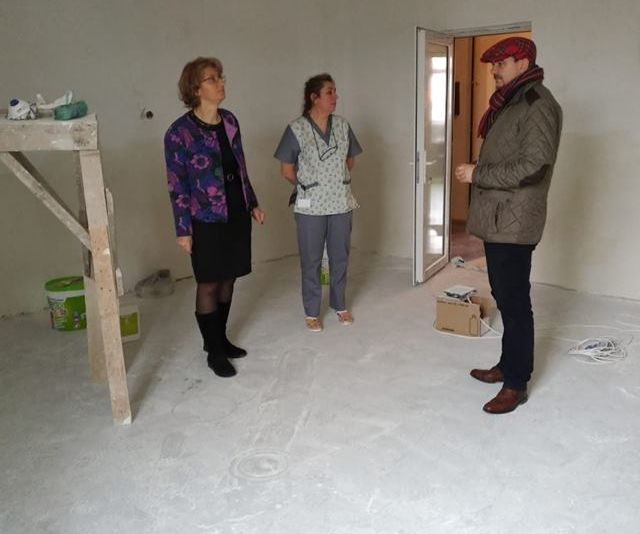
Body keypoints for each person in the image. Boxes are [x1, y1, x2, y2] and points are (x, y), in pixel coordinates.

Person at [454, 37, 562, 414]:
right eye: (493, 64)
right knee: (504, 295)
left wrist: (478, 173)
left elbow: (534, 166)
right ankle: (507, 365)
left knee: (514, 302)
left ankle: (516, 383)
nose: (494, 70)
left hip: (515, 221)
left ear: (523, 63)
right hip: (501, 218)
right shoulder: (512, 102)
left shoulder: (538, 103)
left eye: (501, 63)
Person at [164, 57, 265, 378]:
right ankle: (213, 350)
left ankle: (220, 339)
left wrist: (252, 202)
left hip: (235, 211)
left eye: (221, 77)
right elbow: (177, 184)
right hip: (204, 217)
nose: (221, 82)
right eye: (212, 79)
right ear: (196, 89)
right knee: (209, 283)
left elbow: (240, 166)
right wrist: (183, 229)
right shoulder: (179, 133)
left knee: (229, 277)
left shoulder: (230, 120)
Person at [274, 73, 363, 332]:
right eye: (329, 92)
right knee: (311, 260)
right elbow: (286, 170)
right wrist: (310, 185)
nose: (335, 97)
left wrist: (332, 181)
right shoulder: (297, 129)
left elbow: (350, 161)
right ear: (314, 97)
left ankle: (339, 304)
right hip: (310, 206)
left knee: (340, 257)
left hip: (340, 203)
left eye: (335, 91)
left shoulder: (343, 126)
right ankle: (312, 311)